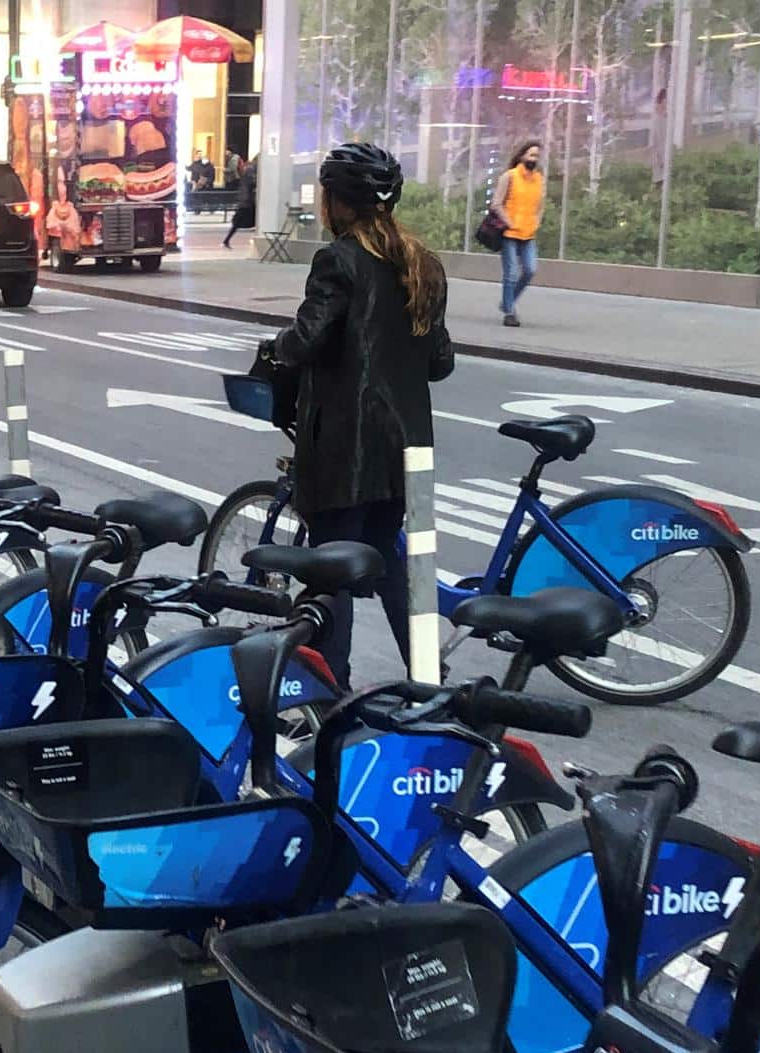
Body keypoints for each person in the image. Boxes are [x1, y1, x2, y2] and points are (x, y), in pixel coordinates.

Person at [265, 141, 453, 687]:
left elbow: (307, 338)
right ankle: (426, 672)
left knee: (333, 569)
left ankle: (332, 688)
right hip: (404, 448)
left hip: (345, 446)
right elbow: (440, 361)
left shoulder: (338, 259)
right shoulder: (423, 264)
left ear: (338, 203)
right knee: (389, 559)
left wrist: (278, 345)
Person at [490, 141, 544, 327]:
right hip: (510, 233)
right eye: (531, 155)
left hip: (528, 233)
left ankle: (507, 301)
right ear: (522, 156)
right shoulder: (510, 177)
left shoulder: (538, 179)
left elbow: (540, 205)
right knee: (511, 273)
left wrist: (537, 221)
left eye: (536, 156)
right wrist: (509, 222)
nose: (534, 159)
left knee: (530, 270)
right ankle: (510, 312)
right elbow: (496, 204)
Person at [224, 157, 256, 248]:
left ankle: (227, 240)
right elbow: (252, 182)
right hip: (247, 200)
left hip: (245, 199)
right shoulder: (251, 170)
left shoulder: (248, 169)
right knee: (241, 220)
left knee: (238, 222)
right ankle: (227, 240)